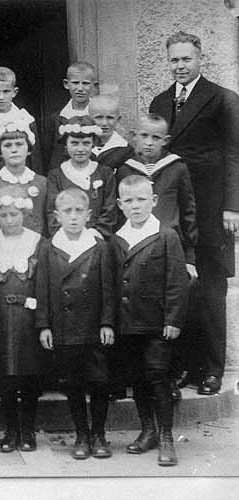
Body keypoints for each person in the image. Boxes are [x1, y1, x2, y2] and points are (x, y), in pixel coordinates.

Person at [148, 31, 239, 395]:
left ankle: (213, 369)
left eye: (186, 59)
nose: (180, 66)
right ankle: (185, 366)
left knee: (212, 289)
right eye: (174, 60)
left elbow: (235, 154)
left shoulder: (222, 99)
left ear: (200, 59)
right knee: (179, 290)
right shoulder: (160, 100)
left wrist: (234, 205)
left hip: (213, 210)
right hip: (176, 213)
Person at [116, 113, 197, 400]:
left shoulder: (176, 168)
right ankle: (132, 379)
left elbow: (188, 213)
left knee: (172, 311)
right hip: (138, 250)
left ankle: (171, 376)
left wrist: (190, 257)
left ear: (166, 140)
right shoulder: (125, 170)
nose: (148, 143)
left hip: (169, 249)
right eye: (143, 136)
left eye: (155, 137)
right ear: (133, 136)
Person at [109, 175, 189, 466]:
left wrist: (173, 318)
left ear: (153, 201)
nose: (136, 206)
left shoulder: (166, 235)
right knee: (138, 378)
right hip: (128, 324)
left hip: (157, 323)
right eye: (129, 201)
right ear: (120, 205)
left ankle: (167, 435)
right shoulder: (116, 240)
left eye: (142, 199)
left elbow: (177, 281)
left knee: (157, 376)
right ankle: (148, 430)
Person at [36, 188, 115, 460]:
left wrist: (107, 322)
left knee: (99, 381)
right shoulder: (49, 247)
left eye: (78, 211)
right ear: (56, 216)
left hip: (93, 326)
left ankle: (99, 434)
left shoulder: (99, 246)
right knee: (73, 382)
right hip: (63, 326)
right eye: (66, 212)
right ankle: (81, 434)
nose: (72, 217)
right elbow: (43, 287)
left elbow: (108, 288)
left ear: (88, 215)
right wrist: (44, 325)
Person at [0, 185, 45, 453]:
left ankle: (28, 428)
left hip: (28, 315)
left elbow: (43, 282)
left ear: (25, 214)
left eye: (14, 214)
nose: (9, 220)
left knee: (28, 373)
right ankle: (11, 429)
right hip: (2, 316)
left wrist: (43, 319)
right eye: (4, 215)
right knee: (5, 374)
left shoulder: (37, 241)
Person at [46, 116, 117, 238]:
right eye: (74, 143)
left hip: (97, 239)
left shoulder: (105, 173)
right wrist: (66, 236)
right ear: (65, 144)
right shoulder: (56, 176)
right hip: (66, 240)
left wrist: (95, 233)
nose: (80, 149)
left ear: (93, 143)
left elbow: (110, 209)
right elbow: (52, 211)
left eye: (86, 143)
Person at [0, 122, 47, 235]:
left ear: (29, 149)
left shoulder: (42, 182)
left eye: (19, 144)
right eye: (7, 145)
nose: (14, 150)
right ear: (0, 152)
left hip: (36, 246)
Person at [44, 62, 98, 173]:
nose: (80, 88)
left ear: (94, 85)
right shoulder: (56, 118)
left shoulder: (99, 117)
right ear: (66, 84)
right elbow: (49, 153)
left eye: (86, 83)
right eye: (75, 83)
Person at [88, 95, 134, 172]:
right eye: (99, 117)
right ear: (89, 118)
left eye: (110, 118)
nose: (104, 123)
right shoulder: (80, 145)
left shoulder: (126, 151)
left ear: (118, 119)